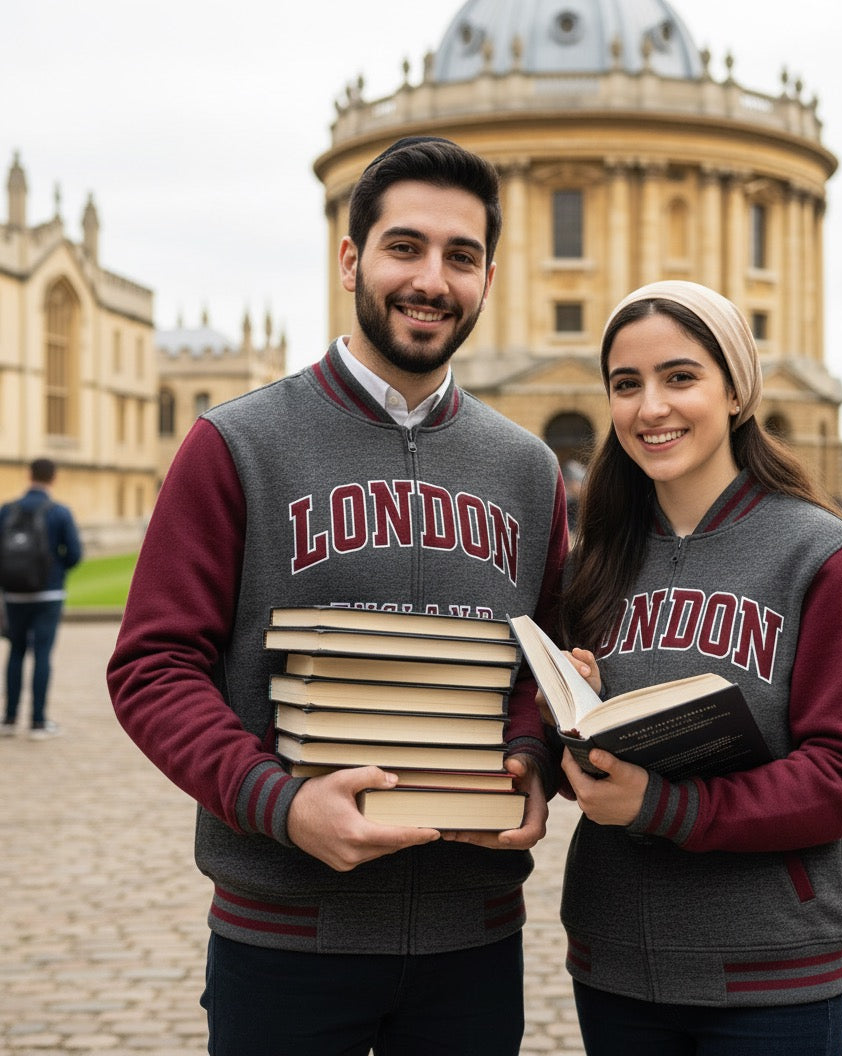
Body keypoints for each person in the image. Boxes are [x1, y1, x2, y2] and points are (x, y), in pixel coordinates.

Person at [107, 137, 569, 1056]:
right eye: (405, 247)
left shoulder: (529, 469)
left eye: (462, 256)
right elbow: (152, 668)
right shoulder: (236, 443)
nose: (432, 279)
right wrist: (280, 805)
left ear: (486, 278)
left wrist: (531, 755)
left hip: (471, 938)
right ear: (351, 258)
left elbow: (546, 662)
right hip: (285, 935)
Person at [553, 281, 842, 1055]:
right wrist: (568, 716)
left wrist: (663, 806)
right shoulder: (596, 561)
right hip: (614, 967)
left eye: (681, 378)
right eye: (626, 385)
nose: (651, 409)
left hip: (770, 975)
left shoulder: (821, 554)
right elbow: (579, 768)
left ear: (736, 391)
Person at [1, 458, 82, 740]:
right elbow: (74, 554)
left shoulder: (7, 510)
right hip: (48, 593)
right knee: (43, 654)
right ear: (53, 478)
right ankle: (37, 722)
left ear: (28, 475)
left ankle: (9, 719)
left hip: (13, 593)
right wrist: (54, 570)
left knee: (16, 652)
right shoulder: (59, 512)